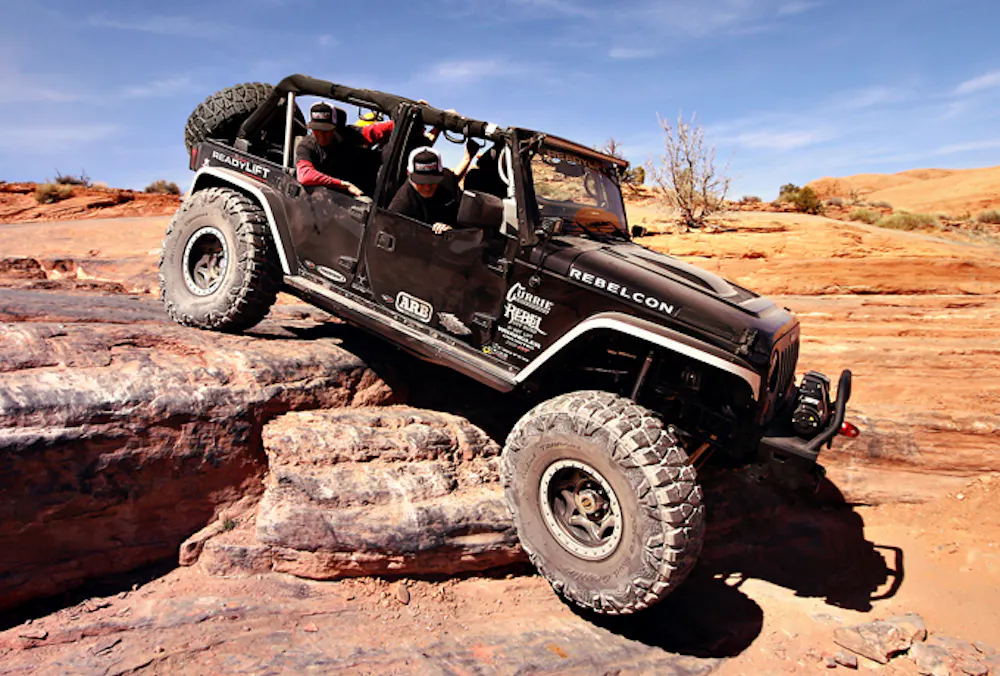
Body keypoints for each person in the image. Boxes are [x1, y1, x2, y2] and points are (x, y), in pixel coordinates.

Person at [295, 101, 394, 196]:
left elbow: (374, 132)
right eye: (316, 130)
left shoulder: (346, 134)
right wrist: (343, 185)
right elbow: (305, 175)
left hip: (363, 187)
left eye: (326, 130)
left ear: (335, 128)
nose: (321, 135)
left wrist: (397, 122)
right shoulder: (306, 146)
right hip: (328, 197)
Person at [389, 146, 464, 235]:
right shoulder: (401, 205)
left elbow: (465, 221)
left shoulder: (449, 182)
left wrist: (452, 231)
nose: (427, 188)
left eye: (433, 181)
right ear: (409, 176)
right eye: (421, 182)